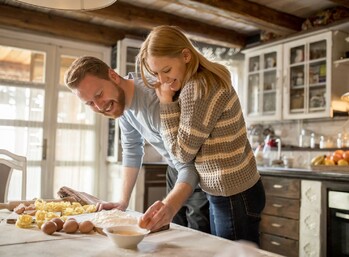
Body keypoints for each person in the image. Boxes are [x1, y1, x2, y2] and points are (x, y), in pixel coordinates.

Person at [137, 25, 265, 245]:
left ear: (186, 55)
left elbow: (182, 153)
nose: (162, 80)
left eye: (166, 70)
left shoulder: (198, 89)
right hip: (233, 191)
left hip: (233, 195)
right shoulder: (200, 81)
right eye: (156, 73)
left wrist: (166, 103)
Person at [64, 56, 210, 233]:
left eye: (99, 95)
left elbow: (189, 164)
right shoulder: (121, 102)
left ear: (113, 75)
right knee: (175, 233)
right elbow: (132, 149)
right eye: (90, 104)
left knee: (198, 236)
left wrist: (169, 207)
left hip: (202, 171)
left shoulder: (153, 102)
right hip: (176, 169)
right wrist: (122, 202)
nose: (99, 107)